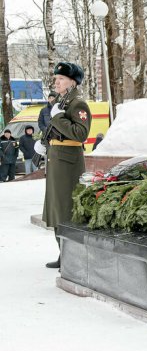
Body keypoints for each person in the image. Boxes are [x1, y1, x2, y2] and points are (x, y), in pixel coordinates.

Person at [34, 62, 91, 269]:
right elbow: (56, 131)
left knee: (66, 209)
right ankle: (64, 253)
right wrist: (44, 143)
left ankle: (72, 256)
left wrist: (57, 117)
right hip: (56, 159)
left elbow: (80, 134)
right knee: (57, 208)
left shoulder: (77, 103)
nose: (56, 82)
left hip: (68, 163)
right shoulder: (61, 101)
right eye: (56, 78)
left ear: (72, 82)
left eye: (61, 79)